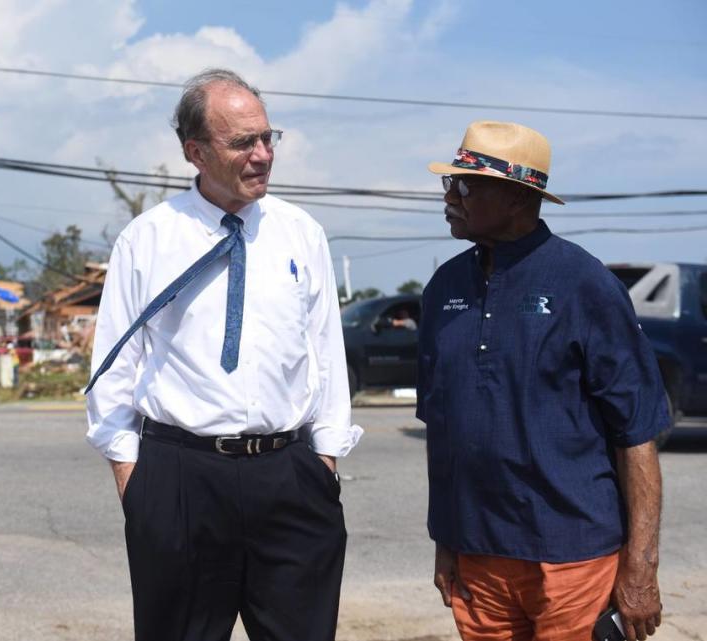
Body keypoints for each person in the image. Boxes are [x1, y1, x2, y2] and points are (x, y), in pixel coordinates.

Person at [85, 68, 362, 641]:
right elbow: (114, 367)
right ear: (196, 152)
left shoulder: (300, 233)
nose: (263, 155)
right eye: (242, 143)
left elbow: (326, 355)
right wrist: (134, 483)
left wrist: (325, 463)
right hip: (181, 480)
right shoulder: (148, 238)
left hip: (290, 479)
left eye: (268, 138)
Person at [419, 120, 667, 641]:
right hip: (478, 555)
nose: (449, 196)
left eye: (464, 184)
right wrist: (446, 539)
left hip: (572, 556)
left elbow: (637, 435)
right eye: (449, 182)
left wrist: (640, 570)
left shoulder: (585, 284)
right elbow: (441, 429)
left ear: (516, 197)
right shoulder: (444, 289)